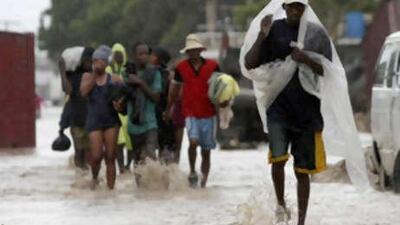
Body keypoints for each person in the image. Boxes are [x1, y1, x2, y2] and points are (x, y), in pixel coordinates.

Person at [244, 0, 332, 224]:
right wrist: (261, 36)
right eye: (290, 7)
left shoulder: (316, 34)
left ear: (305, 9)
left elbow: (328, 71)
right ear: (284, 8)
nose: (294, 11)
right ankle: (281, 204)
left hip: (308, 112)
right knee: (278, 159)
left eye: (299, 7)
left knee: (303, 171)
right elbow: (250, 63)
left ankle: (301, 220)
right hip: (278, 109)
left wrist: (306, 59)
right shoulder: (273, 29)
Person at [166, 34, 220, 188]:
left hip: (208, 113)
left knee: (206, 150)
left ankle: (204, 183)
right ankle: (192, 171)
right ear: (187, 52)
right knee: (193, 142)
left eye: (195, 50)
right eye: (190, 51)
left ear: (200, 50)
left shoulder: (213, 66)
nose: (193, 53)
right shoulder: (180, 68)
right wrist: (168, 108)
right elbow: (174, 90)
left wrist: (222, 110)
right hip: (190, 112)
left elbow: (221, 88)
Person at [80, 45, 123, 190]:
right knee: (97, 155)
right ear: (93, 61)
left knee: (111, 156)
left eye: (103, 61)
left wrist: (120, 106)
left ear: (107, 62)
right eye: (97, 61)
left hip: (111, 121)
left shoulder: (115, 79)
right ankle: (94, 178)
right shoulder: (87, 77)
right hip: (94, 122)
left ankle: (111, 189)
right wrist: (94, 75)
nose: (100, 64)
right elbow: (84, 93)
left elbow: (123, 99)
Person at [125, 42, 162, 186]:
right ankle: (141, 189)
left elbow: (156, 97)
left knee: (151, 157)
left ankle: (155, 188)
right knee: (137, 160)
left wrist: (140, 83)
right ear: (134, 55)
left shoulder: (155, 74)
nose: (144, 57)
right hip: (133, 124)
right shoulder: (126, 73)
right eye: (140, 54)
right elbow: (122, 95)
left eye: (146, 53)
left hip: (150, 123)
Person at [58, 46, 94, 170]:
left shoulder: (96, 76)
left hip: (93, 120)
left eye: (91, 61)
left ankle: (92, 179)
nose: (88, 63)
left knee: (93, 153)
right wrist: (62, 72)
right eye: (86, 60)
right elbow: (67, 90)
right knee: (79, 152)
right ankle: (80, 178)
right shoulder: (73, 75)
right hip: (77, 120)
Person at [106, 43, 132, 174]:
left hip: (129, 110)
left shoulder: (128, 69)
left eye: (120, 54)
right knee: (119, 143)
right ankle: (121, 167)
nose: (118, 56)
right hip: (114, 110)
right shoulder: (109, 70)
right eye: (116, 54)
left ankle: (128, 166)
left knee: (130, 143)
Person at [150, 47, 179, 164]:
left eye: (152, 55)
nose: (149, 57)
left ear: (158, 59)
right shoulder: (170, 75)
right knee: (165, 151)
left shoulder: (156, 74)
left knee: (153, 151)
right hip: (165, 116)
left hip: (158, 115)